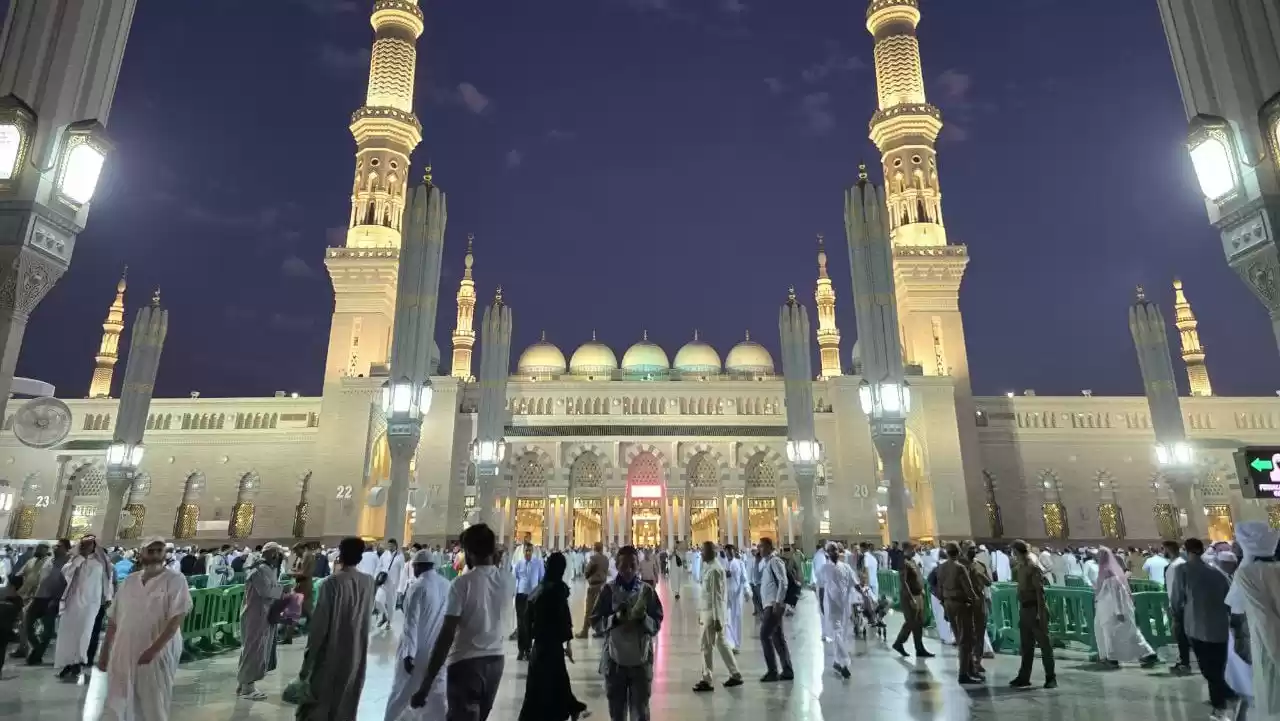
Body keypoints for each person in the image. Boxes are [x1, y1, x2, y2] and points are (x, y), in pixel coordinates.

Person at [412, 523, 510, 721]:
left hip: (466, 664)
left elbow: (447, 634)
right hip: (496, 662)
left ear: (469, 552)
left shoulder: (462, 583)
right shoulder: (508, 580)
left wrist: (426, 684)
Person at [96, 536, 191, 721]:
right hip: (124, 649)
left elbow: (176, 618)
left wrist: (153, 650)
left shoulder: (175, 580)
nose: (155, 555)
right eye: (151, 550)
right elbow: (114, 619)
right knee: (119, 697)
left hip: (158, 651)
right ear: (141, 554)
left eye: (159, 551)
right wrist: (104, 651)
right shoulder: (130, 581)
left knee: (153, 699)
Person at [296, 536, 377, 721]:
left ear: (340, 554)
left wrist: (307, 663)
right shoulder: (369, 582)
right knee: (346, 703)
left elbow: (319, 627)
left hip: (331, 655)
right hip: (356, 655)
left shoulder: (331, 583)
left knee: (320, 706)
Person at [590, 545, 663, 721]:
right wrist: (614, 619)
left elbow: (657, 623)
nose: (629, 570)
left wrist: (643, 618)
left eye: (632, 565)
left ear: (638, 565)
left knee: (640, 711)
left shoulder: (647, 591)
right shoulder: (608, 591)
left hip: (641, 660)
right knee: (617, 713)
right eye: (624, 565)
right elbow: (595, 621)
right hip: (615, 662)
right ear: (617, 565)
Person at [518, 552, 588, 721]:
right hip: (552, 644)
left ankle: (566, 708)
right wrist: (567, 641)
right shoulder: (557, 589)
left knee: (543, 682)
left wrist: (526, 644)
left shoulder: (541, 588)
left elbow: (526, 618)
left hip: (541, 644)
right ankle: (569, 707)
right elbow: (563, 617)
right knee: (556, 678)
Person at [1171, 537, 1234, 720]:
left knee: (1208, 668)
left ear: (1186, 549)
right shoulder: (1217, 573)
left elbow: (1177, 598)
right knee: (1218, 665)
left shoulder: (1182, 570)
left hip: (1196, 626)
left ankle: (1219, 705)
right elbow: (1229, 599)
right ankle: (1227, 695)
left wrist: (1177, 613)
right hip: (1220, 626)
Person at [385, 549, 450, 721]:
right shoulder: (446, 584)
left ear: (418, 567)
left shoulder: (417, 586)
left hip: (417, 651)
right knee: (436, 695)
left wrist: (408, 654)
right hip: (437, 651)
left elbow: (411, 623)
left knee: (402, 693)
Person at [1226, 522, 1280, 721]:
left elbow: (1264, 617)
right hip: (1264, 638)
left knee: (1268, 689)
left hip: (1266, 642)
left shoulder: (1248, 574)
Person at [1092, 547, 1158, 668]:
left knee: (1122, 633)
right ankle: (1143, 653)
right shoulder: (1105, 571)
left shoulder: (1108, 572)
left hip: (1113, 610)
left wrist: (1118, 611)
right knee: (1118, 633)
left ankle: (1115, 658)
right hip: (1107, 610)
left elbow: (1116, 593)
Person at [55, 535, 107, 681]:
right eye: (84, 544)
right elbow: (66, 573)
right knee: (68, 634)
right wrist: (80, 558)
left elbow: (106, 582)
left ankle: (78, 662)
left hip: (91, 604)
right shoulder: (74, 560)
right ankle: (68, 663)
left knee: (84, 634)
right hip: (72, 603)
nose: (86, 547)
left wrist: (107, 599)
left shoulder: (100, 563)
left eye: (90, 544)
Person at [237, 542, 284, 700]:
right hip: (255, 614)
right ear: (273, 554)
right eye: (278, 555)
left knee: (255, 649)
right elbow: (266, 591)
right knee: (254, 649)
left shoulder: (266, 568)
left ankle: (244, 684)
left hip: (263, 614)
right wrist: (283, 590)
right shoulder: (260, 569)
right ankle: (247, 688)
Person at [693, 541, 742, 692]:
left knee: (706, 646)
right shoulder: (709, 568)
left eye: (703, 551)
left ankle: (707, 679)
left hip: (712, 614)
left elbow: (716, 597)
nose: (701, 553)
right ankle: (735, 674)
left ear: (711, 552)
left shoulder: (715, 570)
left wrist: (716, 619)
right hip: (708, 612)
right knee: (721, 643)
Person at [1008, 539, 1056, 689]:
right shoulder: (1021, 567)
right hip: (1025, 609)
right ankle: (1024, 676)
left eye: (1014, 552)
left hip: (1035, 609)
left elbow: (1039, 592)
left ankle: (1051, 677)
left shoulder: (1032, 567)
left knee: (1044, 645)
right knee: (1026, 645)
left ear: (1017, 552)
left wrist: (1041, 612)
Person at [938, 542, 981, 684]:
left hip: (948, 603)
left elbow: (939, 588)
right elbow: (968, 589)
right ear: (958, 552)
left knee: (959, 637)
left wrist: (944, 605)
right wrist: (975, 601)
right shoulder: (960, 568)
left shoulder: (941, 568)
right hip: (961, 605)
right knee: (965, 641)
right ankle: (963, 673)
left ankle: (969, 670)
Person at [756, 537, 793, 682]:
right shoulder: (765, 563)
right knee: (778, 638)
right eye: (759, 547)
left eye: (762, 547)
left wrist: (778, 602)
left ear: (770, 547)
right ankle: (787, 670)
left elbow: (783, 582)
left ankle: (772, 670)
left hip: (774, 605)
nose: (760, 549)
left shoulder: (775, 561)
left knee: (765, 635)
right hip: (769, 604)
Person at [893, 541, 933, 659]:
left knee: (919, 622)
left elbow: (917, 577)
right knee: (911, 621)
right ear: (907, 549)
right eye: (913, 548)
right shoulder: (904, 562)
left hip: (918, 594)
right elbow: (904, 581)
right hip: (910, 596)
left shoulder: (913, 561)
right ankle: (899, 642)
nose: (915, 551)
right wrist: (911, 597)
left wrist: (921, 590)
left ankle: (919, 648)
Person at [821, 544, 855, 678]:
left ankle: (836, 661)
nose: (833, 552)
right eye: (830, 550)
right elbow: (821, 587)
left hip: (845, 605)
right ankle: (845, 662)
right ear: (827, 553)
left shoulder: (846, 567)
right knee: (837, 634)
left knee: (843, 633)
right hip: (832, 605)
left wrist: (863, 594)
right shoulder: (825, 568)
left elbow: (854, 582)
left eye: (835, 549)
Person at [10, 542, 50, 660]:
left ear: (46, 550)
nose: (38, 550)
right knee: (23, 625)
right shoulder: (31, 561)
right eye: (37, 548)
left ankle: (34, 650)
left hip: (38, 597)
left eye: (41, 548)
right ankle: (24, 649)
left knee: (27, 624)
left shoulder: (48, 563)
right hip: (25, 596)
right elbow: (19, 574)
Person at [1164, 539, 1193, 674]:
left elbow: (1177, 589)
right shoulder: (1177, 564)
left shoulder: (1177, 565)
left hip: (1179, 606)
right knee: (1182, 635)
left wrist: (1174, 605)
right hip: (1180, 604)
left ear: (1169, 550)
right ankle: (1184, 661)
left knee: (1182, 635)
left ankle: (1185, 663)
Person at [514, 543, 545, 661]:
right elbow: (515, 579)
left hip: (533, 597)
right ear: (523, 552)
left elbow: (542, 578)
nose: (528, 553)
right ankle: (521, 649)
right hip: (521, 596)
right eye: (526, 551)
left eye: (530, 551)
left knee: (530, 623)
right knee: (521, 623)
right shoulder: (519, 564)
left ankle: (528, 649)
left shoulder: (538, 563)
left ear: (532, 551)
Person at [577, 543, 609, 639]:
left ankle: (585, 631)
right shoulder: (606, 559)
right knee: (600, 609)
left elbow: (587, 571)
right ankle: (600, 630)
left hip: (594, 586)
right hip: (603, 585)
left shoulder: (593, 559)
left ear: (594, 549)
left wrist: (587, 576)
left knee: (589, 609)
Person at [375, 539, 405, 632]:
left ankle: (388, 622)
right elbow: (379, 566)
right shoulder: (385, 554)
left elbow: (402, 571)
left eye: (392, 546)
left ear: (396, 546)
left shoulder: (400, 556)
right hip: (383, 582)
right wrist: (376, 577)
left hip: (393, 584)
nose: (390, 547)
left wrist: (400, 587)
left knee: (391, 605)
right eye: (389, 546)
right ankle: (385, 616)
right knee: (378, 600)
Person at [724, 545, 745, 653]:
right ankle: (730, 642)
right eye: (727, 552)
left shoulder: (737, 563)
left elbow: (729, 574)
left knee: (736, 618)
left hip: (736, 593)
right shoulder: (726, 562)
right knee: (727, 619)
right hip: (727, 593)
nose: (729, 554)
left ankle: (737, 644)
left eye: (731, 551)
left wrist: (746, 590)